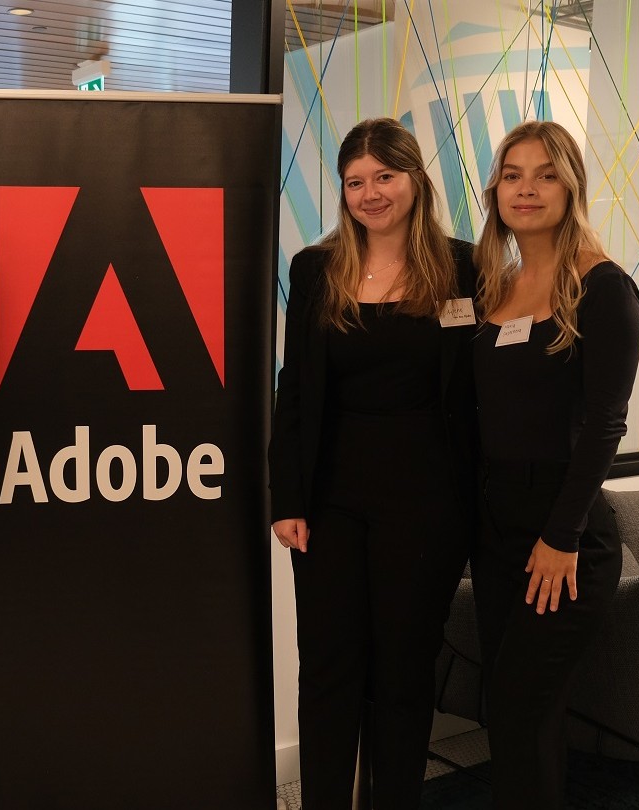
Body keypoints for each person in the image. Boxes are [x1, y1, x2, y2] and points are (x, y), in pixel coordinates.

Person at [267, 117, 478, 809]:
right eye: (355, 181)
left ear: (414, 178)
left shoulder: (463, 266)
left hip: (427, 503)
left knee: (403, 670)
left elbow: (481, 389)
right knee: (328, 668)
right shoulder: (314, 268)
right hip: (329, 502)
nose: (370, 193)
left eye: (384, 176)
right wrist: (286, 498)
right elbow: (294, 389)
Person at [469, 120, 639, 807]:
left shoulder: (603, 287)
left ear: (571, 185)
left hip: (564, 535)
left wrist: (560, 536)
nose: (527, 189)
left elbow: (606, 425)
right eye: (513, 174)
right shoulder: (494, 286)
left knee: (521, 708)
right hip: (497, 525)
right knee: (509, 712)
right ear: (496, 190)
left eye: (545, 174)